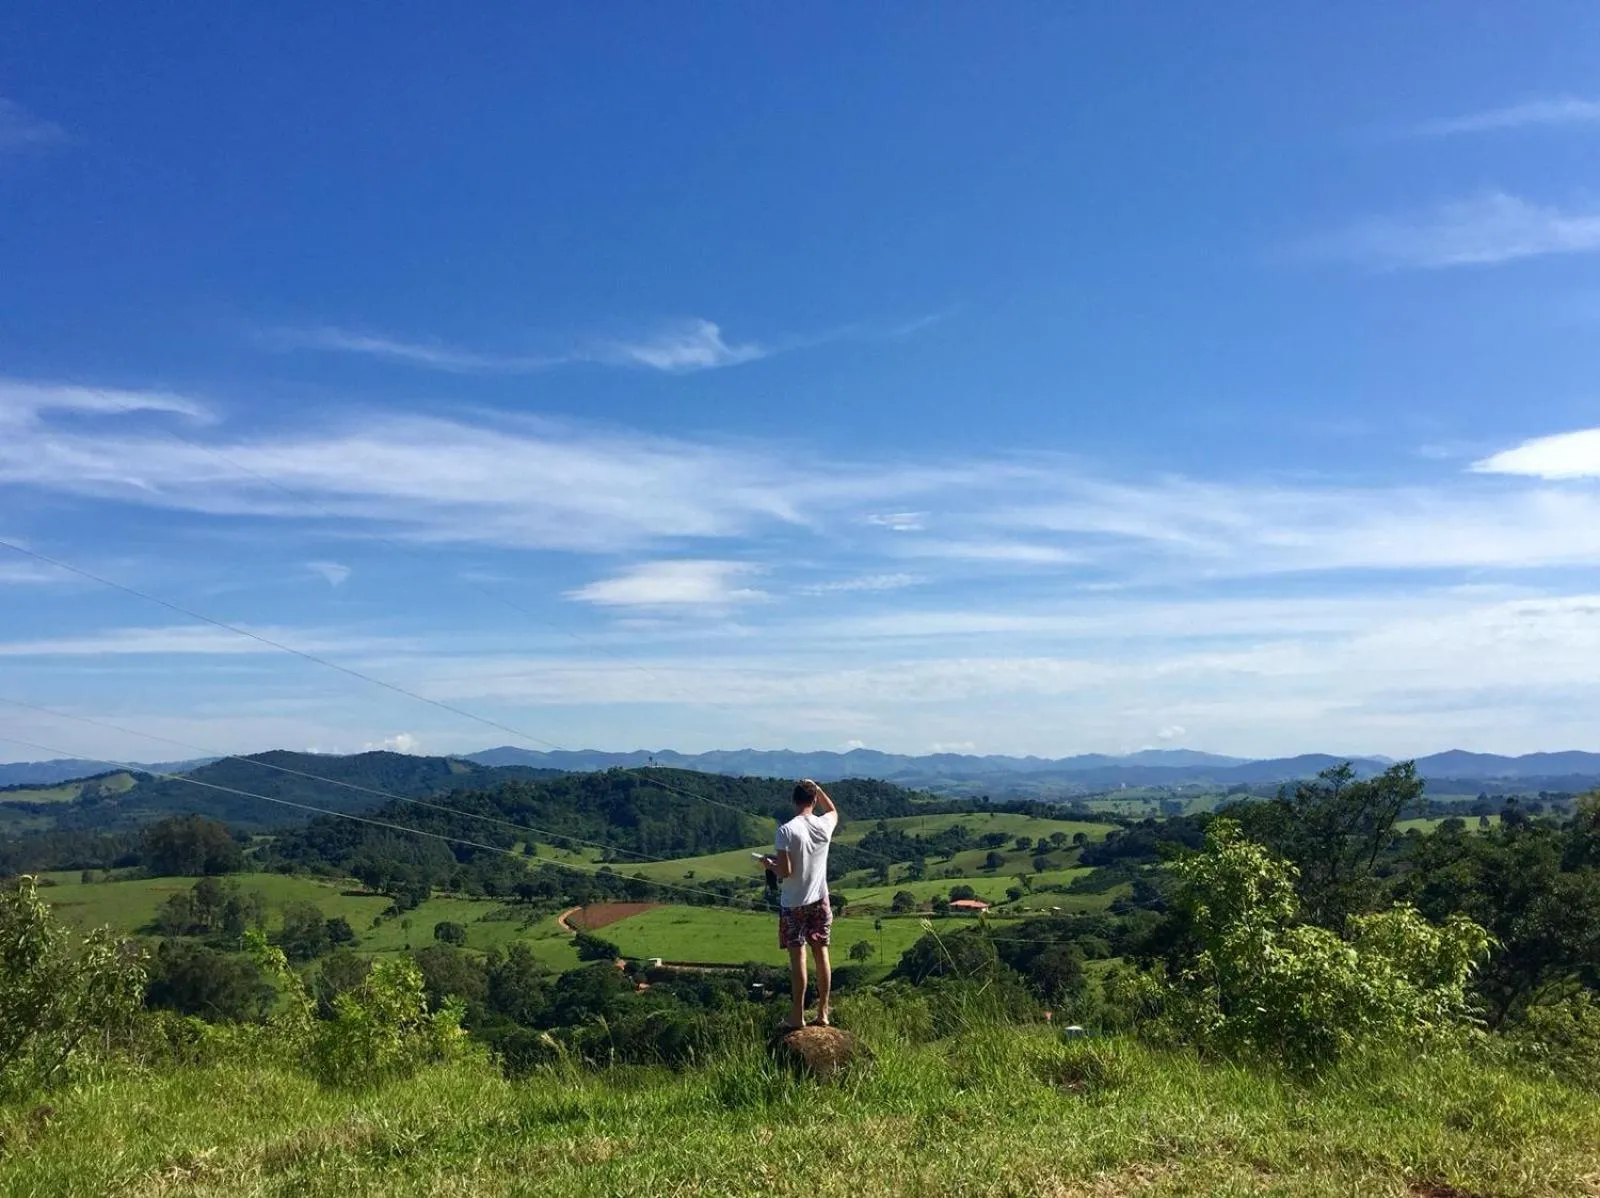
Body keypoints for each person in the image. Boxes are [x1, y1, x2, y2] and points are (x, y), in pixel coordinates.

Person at [760, 778, 838, 1029]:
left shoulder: (786, 831)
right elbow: (833, 810)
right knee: (822, 952)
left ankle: (797, 1016)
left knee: (799, 959)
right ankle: (823, 1012)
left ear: (793, 802)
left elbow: (786, 871)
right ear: (813, 801)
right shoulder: (824, 825)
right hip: (820, 898)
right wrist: (818, 787)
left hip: (794, 903)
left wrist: (769, 865)